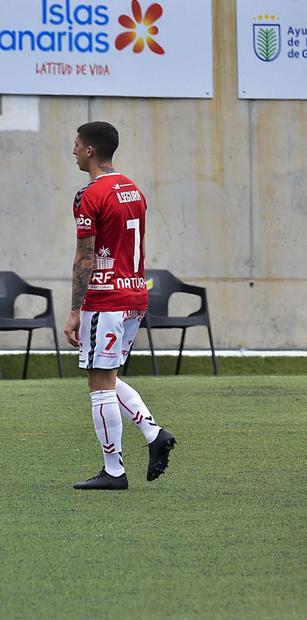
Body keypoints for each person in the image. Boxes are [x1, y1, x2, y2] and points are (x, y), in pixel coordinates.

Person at [65, 121, 175, 491]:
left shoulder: (89, 195)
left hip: (105, 297)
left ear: (91, 151)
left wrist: (75, 309)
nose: (74, 150)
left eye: (77, 145)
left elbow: (85, 257)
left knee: (99, 384)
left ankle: (114, 471)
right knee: (107, 376)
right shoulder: (133, 189)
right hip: (134, 296)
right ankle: (153, 432)